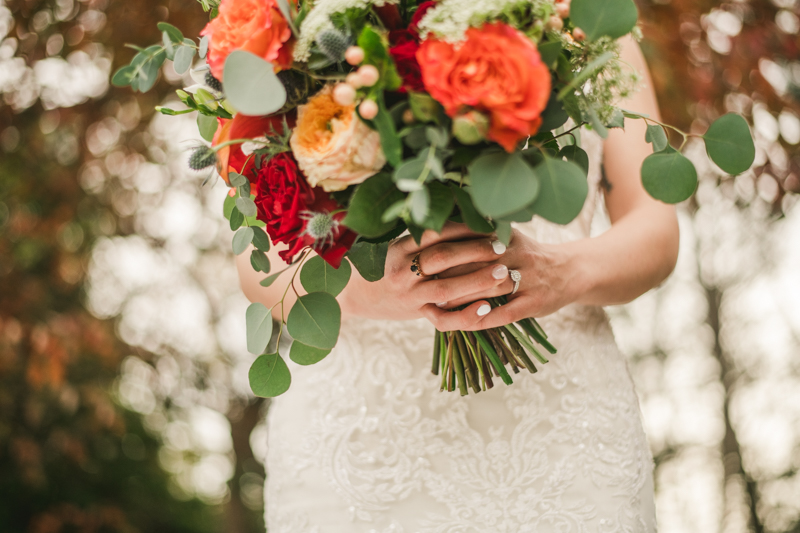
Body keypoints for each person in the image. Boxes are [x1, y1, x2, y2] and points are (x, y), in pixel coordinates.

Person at [237, 36, 678, 533]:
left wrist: (563, 270)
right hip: (360, 434)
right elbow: (256, 267)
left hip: (565, 420)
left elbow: (655, 231)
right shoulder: (288, 29)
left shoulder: (594, 25)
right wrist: (366, 290)